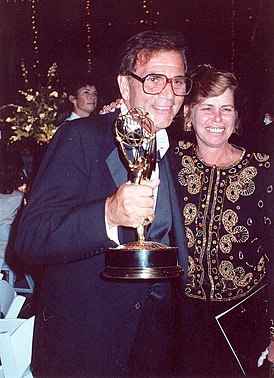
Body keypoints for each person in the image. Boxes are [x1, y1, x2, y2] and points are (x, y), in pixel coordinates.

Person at [15, 30, 190, 377]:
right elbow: (28, 239)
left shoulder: (173, 153)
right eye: (154, 80)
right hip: (87, 346)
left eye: (179, 81)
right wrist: (107, 214)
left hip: (157, 345)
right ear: (125, 86)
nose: (169, 94)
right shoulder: (80, 137)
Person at [169, 64, 274, 377]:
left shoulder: (263, 170)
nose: (217, 119)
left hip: (244, 321)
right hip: (179, 323)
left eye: (226, 108)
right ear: (188, 113)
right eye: (207, 108)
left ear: (236, 116)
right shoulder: (169, 160)